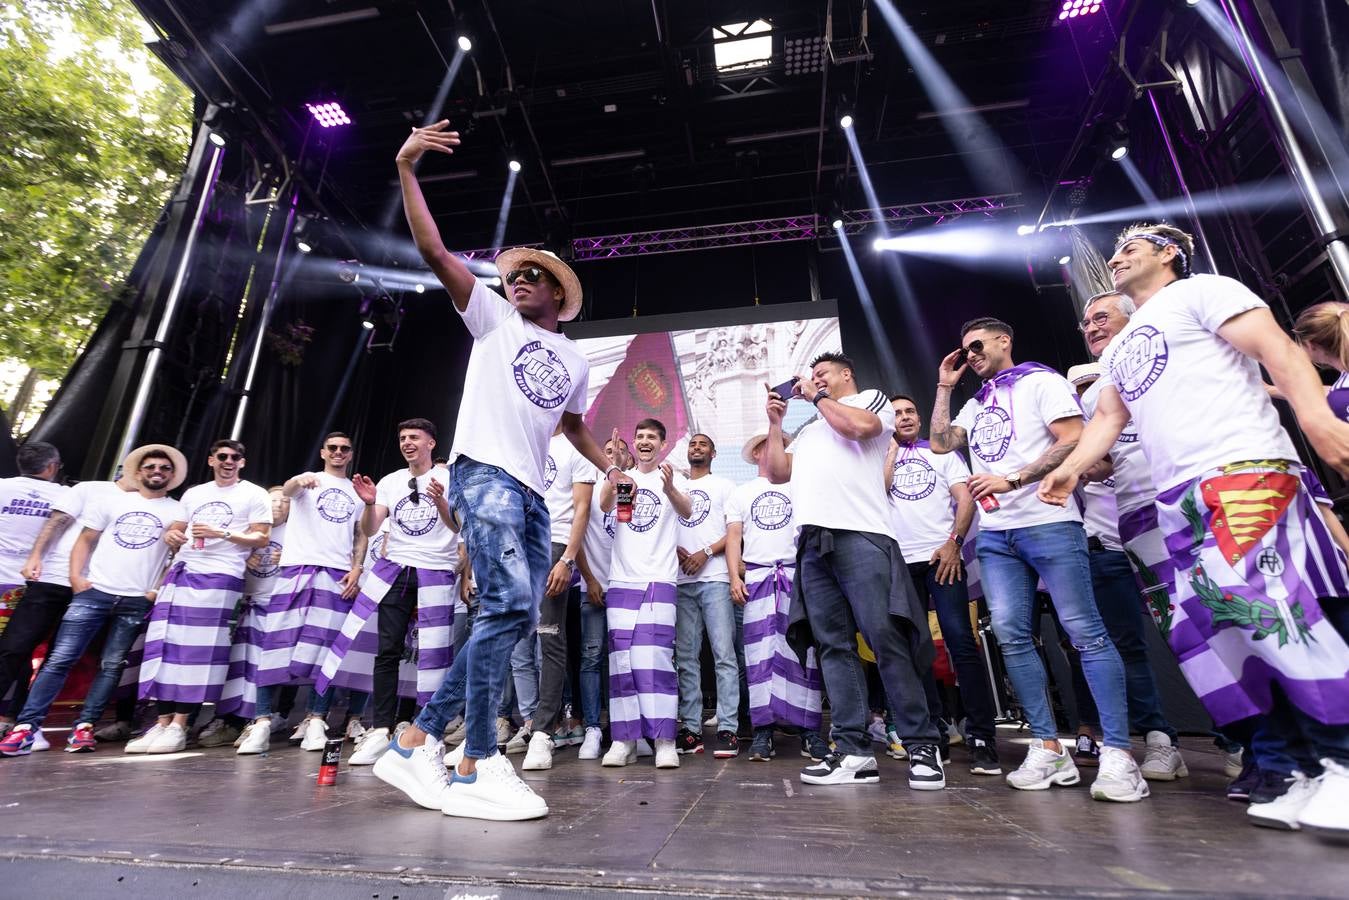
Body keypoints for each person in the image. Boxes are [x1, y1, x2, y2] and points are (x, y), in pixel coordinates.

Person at [1039, 223, 1349, 833]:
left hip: (1242, 467)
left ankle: (1341, 760)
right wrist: (1070, 470)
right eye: (1116, 250)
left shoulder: (1205, 291)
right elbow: (1106, 418)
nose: (1119, 258)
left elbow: (1279, 350)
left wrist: (1314, 415)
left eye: (1132, 247)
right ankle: (1298, 768)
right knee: (1225, 633)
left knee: (1276, 613)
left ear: (1170, 254)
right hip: (1176, 497)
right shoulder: (1123, 350)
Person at [370, 119, 624, 822]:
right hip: (484, 476)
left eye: (529, 275)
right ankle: (476, 758)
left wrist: (612, 469)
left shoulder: (574, 360)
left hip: (535, 491)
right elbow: (432, 248)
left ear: (558, 292)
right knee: (508, 609)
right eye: (510, 275)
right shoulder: (490, 319)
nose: (515, 281)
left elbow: (572, 426)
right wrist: (407, 169)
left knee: (508, 618)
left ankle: (420, 742)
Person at [929, 318, 1146, 801]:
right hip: (998, 535)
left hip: (1049, 522)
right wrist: (945, 386)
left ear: (1005, 340)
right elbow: (942, 444)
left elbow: (1073, 439)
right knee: (1011, 638)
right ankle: (1049, 748)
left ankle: (1118, 753)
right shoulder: (975, 400)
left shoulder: (1041, 381)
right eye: (965, 350)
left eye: (979, 345)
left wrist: (1017, 477)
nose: (972, 354)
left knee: (1084, 631)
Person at [763, 351, 944, 789]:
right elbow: (775, 472)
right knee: (832, 647)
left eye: (821, 374)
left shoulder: (871, 401)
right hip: (813, 542)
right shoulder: (809, 430)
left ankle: (922, 744)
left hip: (861, 535)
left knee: (886, 638)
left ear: (846, 374)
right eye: (811, 377)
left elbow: (858, 428)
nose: (813, 380)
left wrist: (819, 396)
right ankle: (853, 750)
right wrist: (774, 422)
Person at [0, 444, 186, 756]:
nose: (157, 472)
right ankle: (23, 725)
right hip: (78, 587)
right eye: (150, 466)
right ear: (137, 470)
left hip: (127, 596)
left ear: (172, 475)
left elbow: (174, 546)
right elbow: (75, 532)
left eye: (164, 469)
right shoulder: (101, 495)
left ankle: (84, 726)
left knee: (109, 664)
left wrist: (154, 589)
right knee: (44, 655)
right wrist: (70, 575)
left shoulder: (176, 509)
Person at [1063, 359, 1187, 781]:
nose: (1088, 394)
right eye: (1080, 390)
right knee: (1126, 648)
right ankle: (1159, 739)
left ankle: (1241, 743)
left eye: (1094, 384)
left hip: (1170, 531)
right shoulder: (1079, 446)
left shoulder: (1151, 417)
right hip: (1106, 553)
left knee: (1196, 635)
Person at [316, 419, 458, 764]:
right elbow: (371, 527)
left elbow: (458, 526)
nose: (407, 442)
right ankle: (380, 728)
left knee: (433, 654)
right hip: (396, 570)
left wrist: (440, 502)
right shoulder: (392, 481)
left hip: (436, 571)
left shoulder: (451, 479)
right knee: (388, 651)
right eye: (403, 438)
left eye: (414, 437)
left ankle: (427, 730)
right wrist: (368, 504)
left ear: (431, 443)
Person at [882, 395, 1001, 776]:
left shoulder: (942, 454)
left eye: (909, 412)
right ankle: (933, 732)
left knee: (960, 641)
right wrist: (887, 450)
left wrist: (953, 543)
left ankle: (981, 735)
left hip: (942, 559)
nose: (904, 418)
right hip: (900, 564)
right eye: (897, 414)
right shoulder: (879, 458)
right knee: (916, 650)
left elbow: (965, 499)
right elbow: (880, 489)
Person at [133, 439, 272, 754]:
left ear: (242, 462)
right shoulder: (195, 493)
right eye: (222, 456)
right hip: (182, 570)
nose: (228, 461)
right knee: (165, 646)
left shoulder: (254, 493)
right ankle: (162, 721)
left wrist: (221, 533)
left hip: (221, 575)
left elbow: (262, 537)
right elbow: (177, 528)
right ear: (211, 460)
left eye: (235, 457)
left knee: (196, 652)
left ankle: (181, 725)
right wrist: (171, 535)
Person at [237, 433, 368, 754]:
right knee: (275, 644)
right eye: (332, 448)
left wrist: (357, 566)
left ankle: (315, 719)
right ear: (323, 451)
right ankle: (262, 722)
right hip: (296, 569)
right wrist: (299, 480)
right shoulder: (307, 482)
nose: (338, 453)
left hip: (337, 573)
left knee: (325, 652)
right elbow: (289, 490)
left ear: (350, 454)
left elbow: (361, 533)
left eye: (344, 449)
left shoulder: (355, 490)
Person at [725, 430, 827, 762]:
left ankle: (810, 732)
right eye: (769, 446)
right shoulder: (742, 493)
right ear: (756, 453)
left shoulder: (800, 486)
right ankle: (763, 733)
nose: (776, 451)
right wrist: (732, 577)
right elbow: (733, 537)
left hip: (796, 576)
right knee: (758, 657)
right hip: (757, 576)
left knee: (803, 653)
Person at [597, 418, 692, 768]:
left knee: (656, 660)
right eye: (639, 436)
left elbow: (687, 510)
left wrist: (668, 490)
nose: (645, 441)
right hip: (622, 579)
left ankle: (665, 739)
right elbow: (611, 510)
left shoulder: (674, 477)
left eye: (652, 436)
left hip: (659, 580)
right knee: (622, 662)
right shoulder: (625, 478)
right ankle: (625, 740)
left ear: (663, 443)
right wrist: (616, 472)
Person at [520, 424, 596, 770]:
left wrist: (567, 558)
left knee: (550, 638)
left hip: (553, 547)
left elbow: (582, 509)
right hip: (515, 546)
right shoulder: (521, 441)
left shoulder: (575, 448)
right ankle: (484, 731)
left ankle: (543, 734)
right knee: (503, 640)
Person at [205, 485, 291, 747]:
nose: (277, 505)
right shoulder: (250, 530)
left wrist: (288, 559)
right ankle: (228, 718)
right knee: (235, 666)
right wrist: (244, 560)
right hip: (245, 603)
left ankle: (261, 718)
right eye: (272, 500)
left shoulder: (298, 533)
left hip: (277, 606)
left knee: (267, 666)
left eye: (284, 501)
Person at [672, 433, 740, 759]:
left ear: (713, 452)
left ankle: (728, 728)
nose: (696, 448)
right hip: (681, 581)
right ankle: (691, 731)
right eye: (692, 444)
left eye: (702, 444)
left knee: (723, 655)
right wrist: (675, 551)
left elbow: (735, 531)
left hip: (714, 579)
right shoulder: (675, 487)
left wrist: (705, 551)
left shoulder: (725, 485)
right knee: (686, 658)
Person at [0, 442, 72, 739]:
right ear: (53, 467)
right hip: (35, 582)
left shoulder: (2, 487)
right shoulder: (66, 496)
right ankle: (8, 716)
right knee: (20, 651)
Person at [572, 440, 622, 760]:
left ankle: (623, 728)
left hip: (625, 589)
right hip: (593, 588)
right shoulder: (586, 491)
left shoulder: (632, 490)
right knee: (592, 658)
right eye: (604, 452)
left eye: (617, 453)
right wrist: (590, 580)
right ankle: (593, 727)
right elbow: (575, 540)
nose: (611, 456)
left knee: (623, 662)